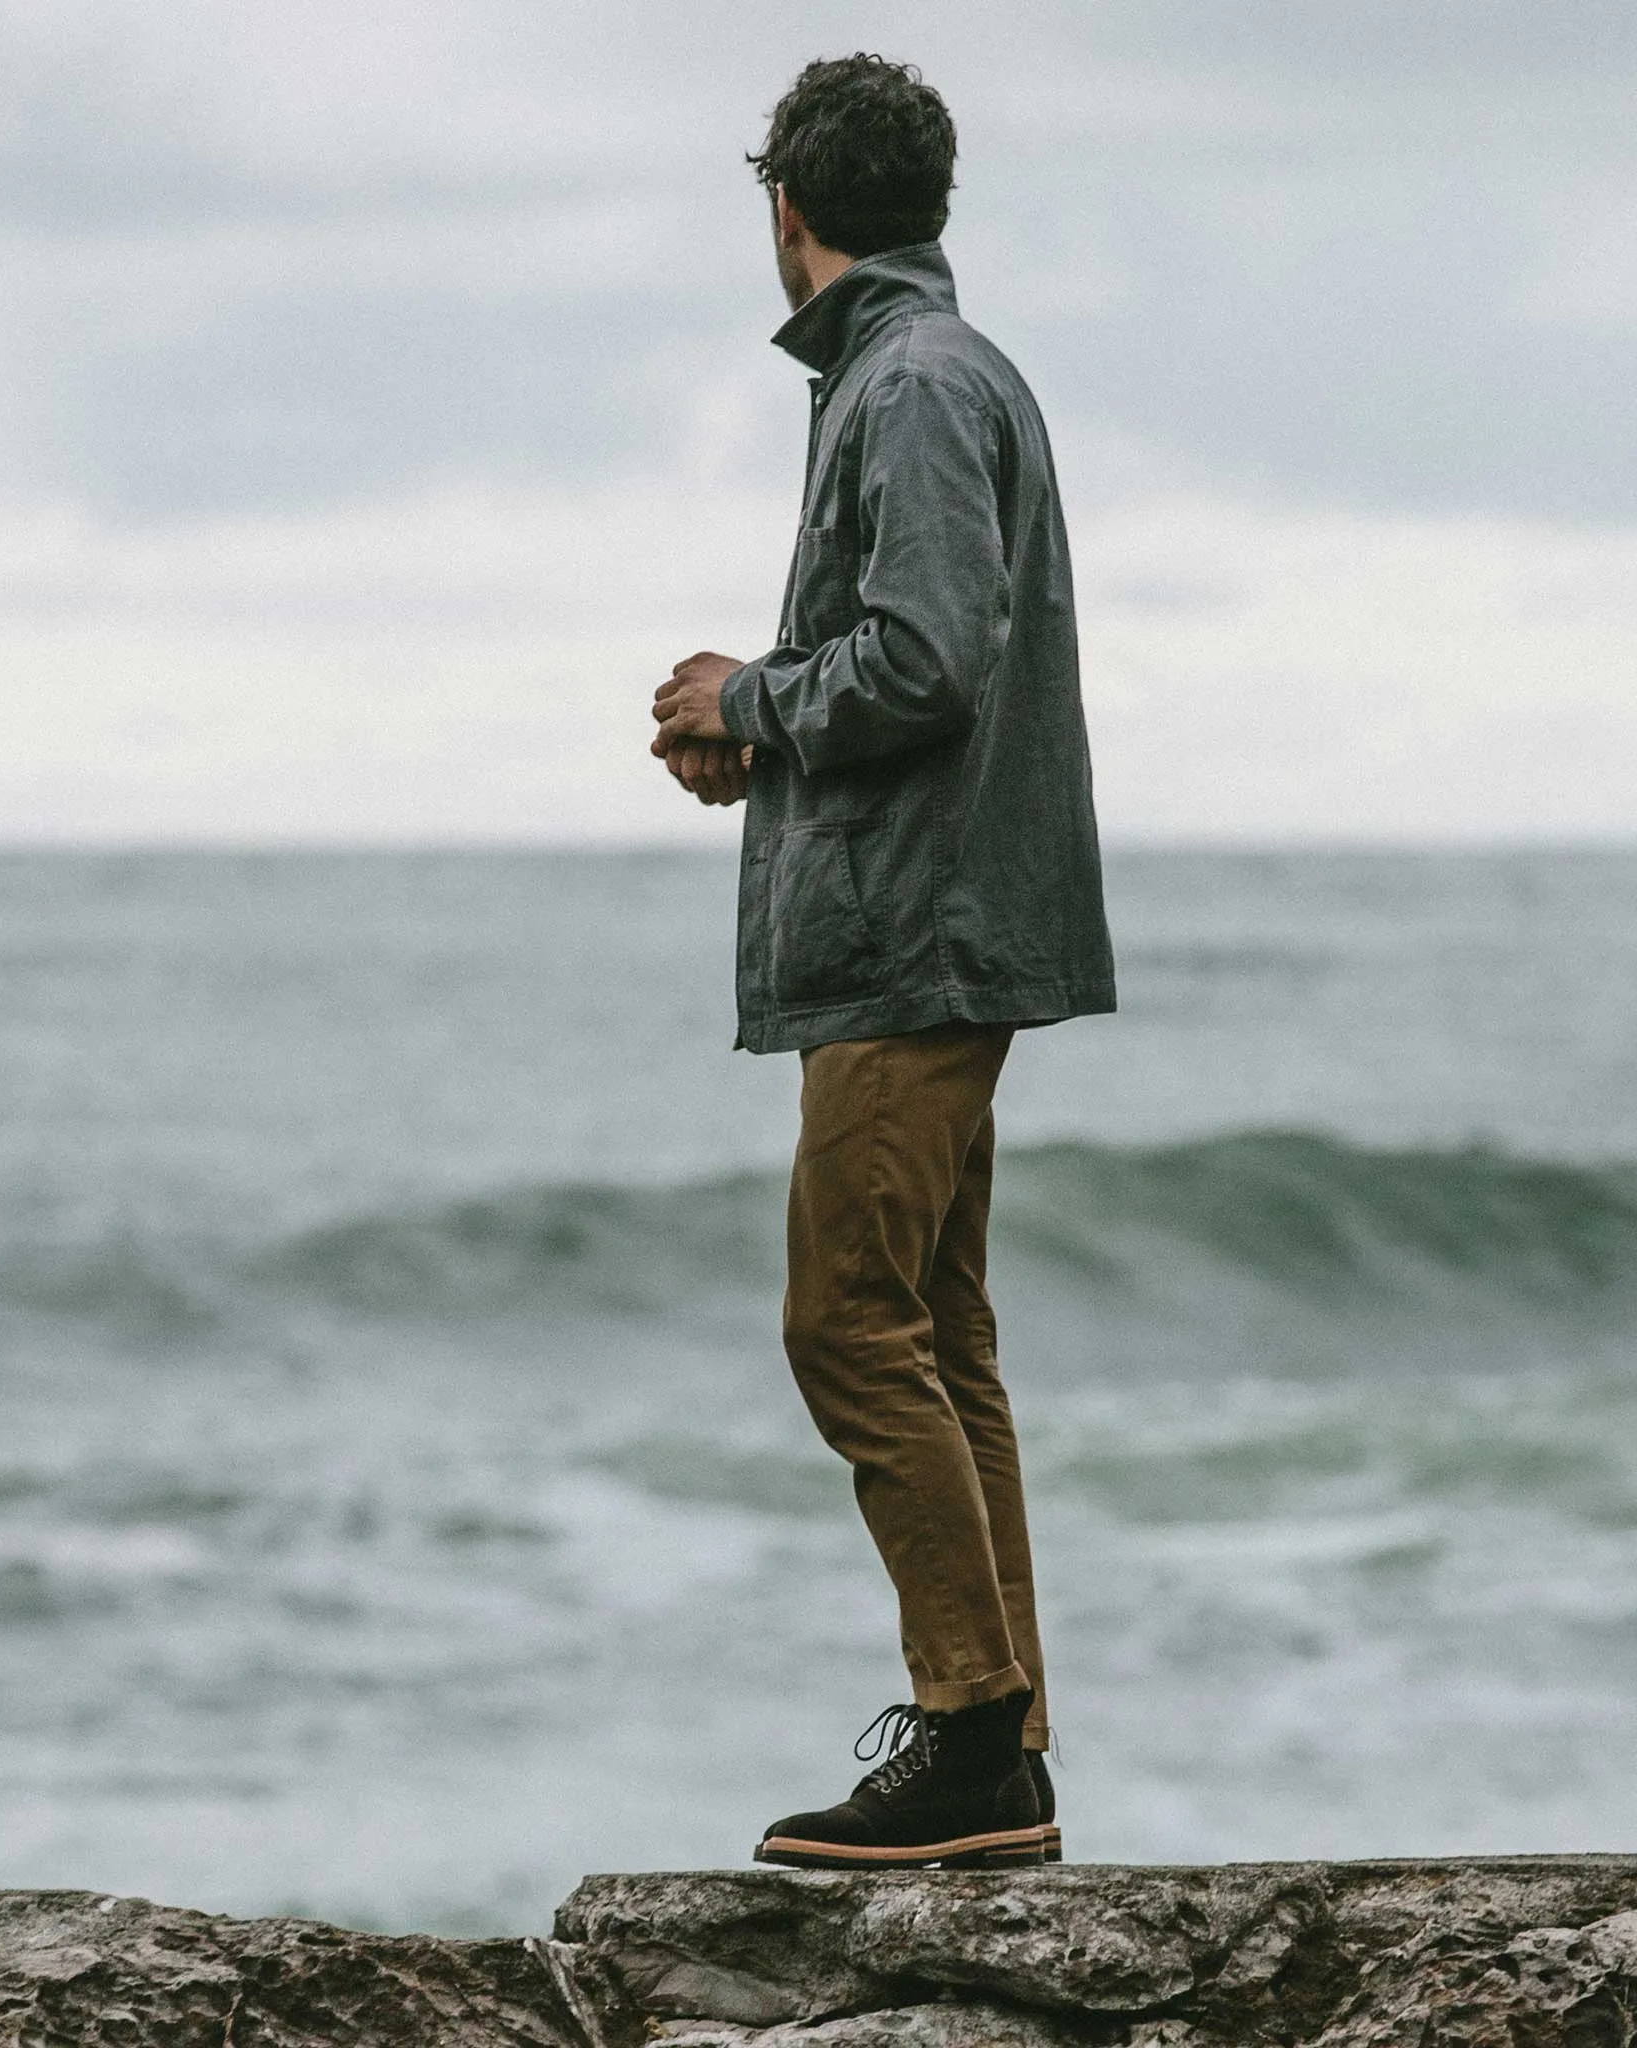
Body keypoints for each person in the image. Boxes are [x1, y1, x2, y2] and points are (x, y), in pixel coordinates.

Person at [649, 52, 1116, 1870]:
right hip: (948, 914)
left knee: (847, 1324)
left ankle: (975, 1733)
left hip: (913, 937)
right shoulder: (938, 370)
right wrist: (766, 734)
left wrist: (751, 694)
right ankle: (1006, 1737)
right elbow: (931, 661)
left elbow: (923, 659)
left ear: (788, 213)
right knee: (945, 1333)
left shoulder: (908, 385)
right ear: (928, 203)